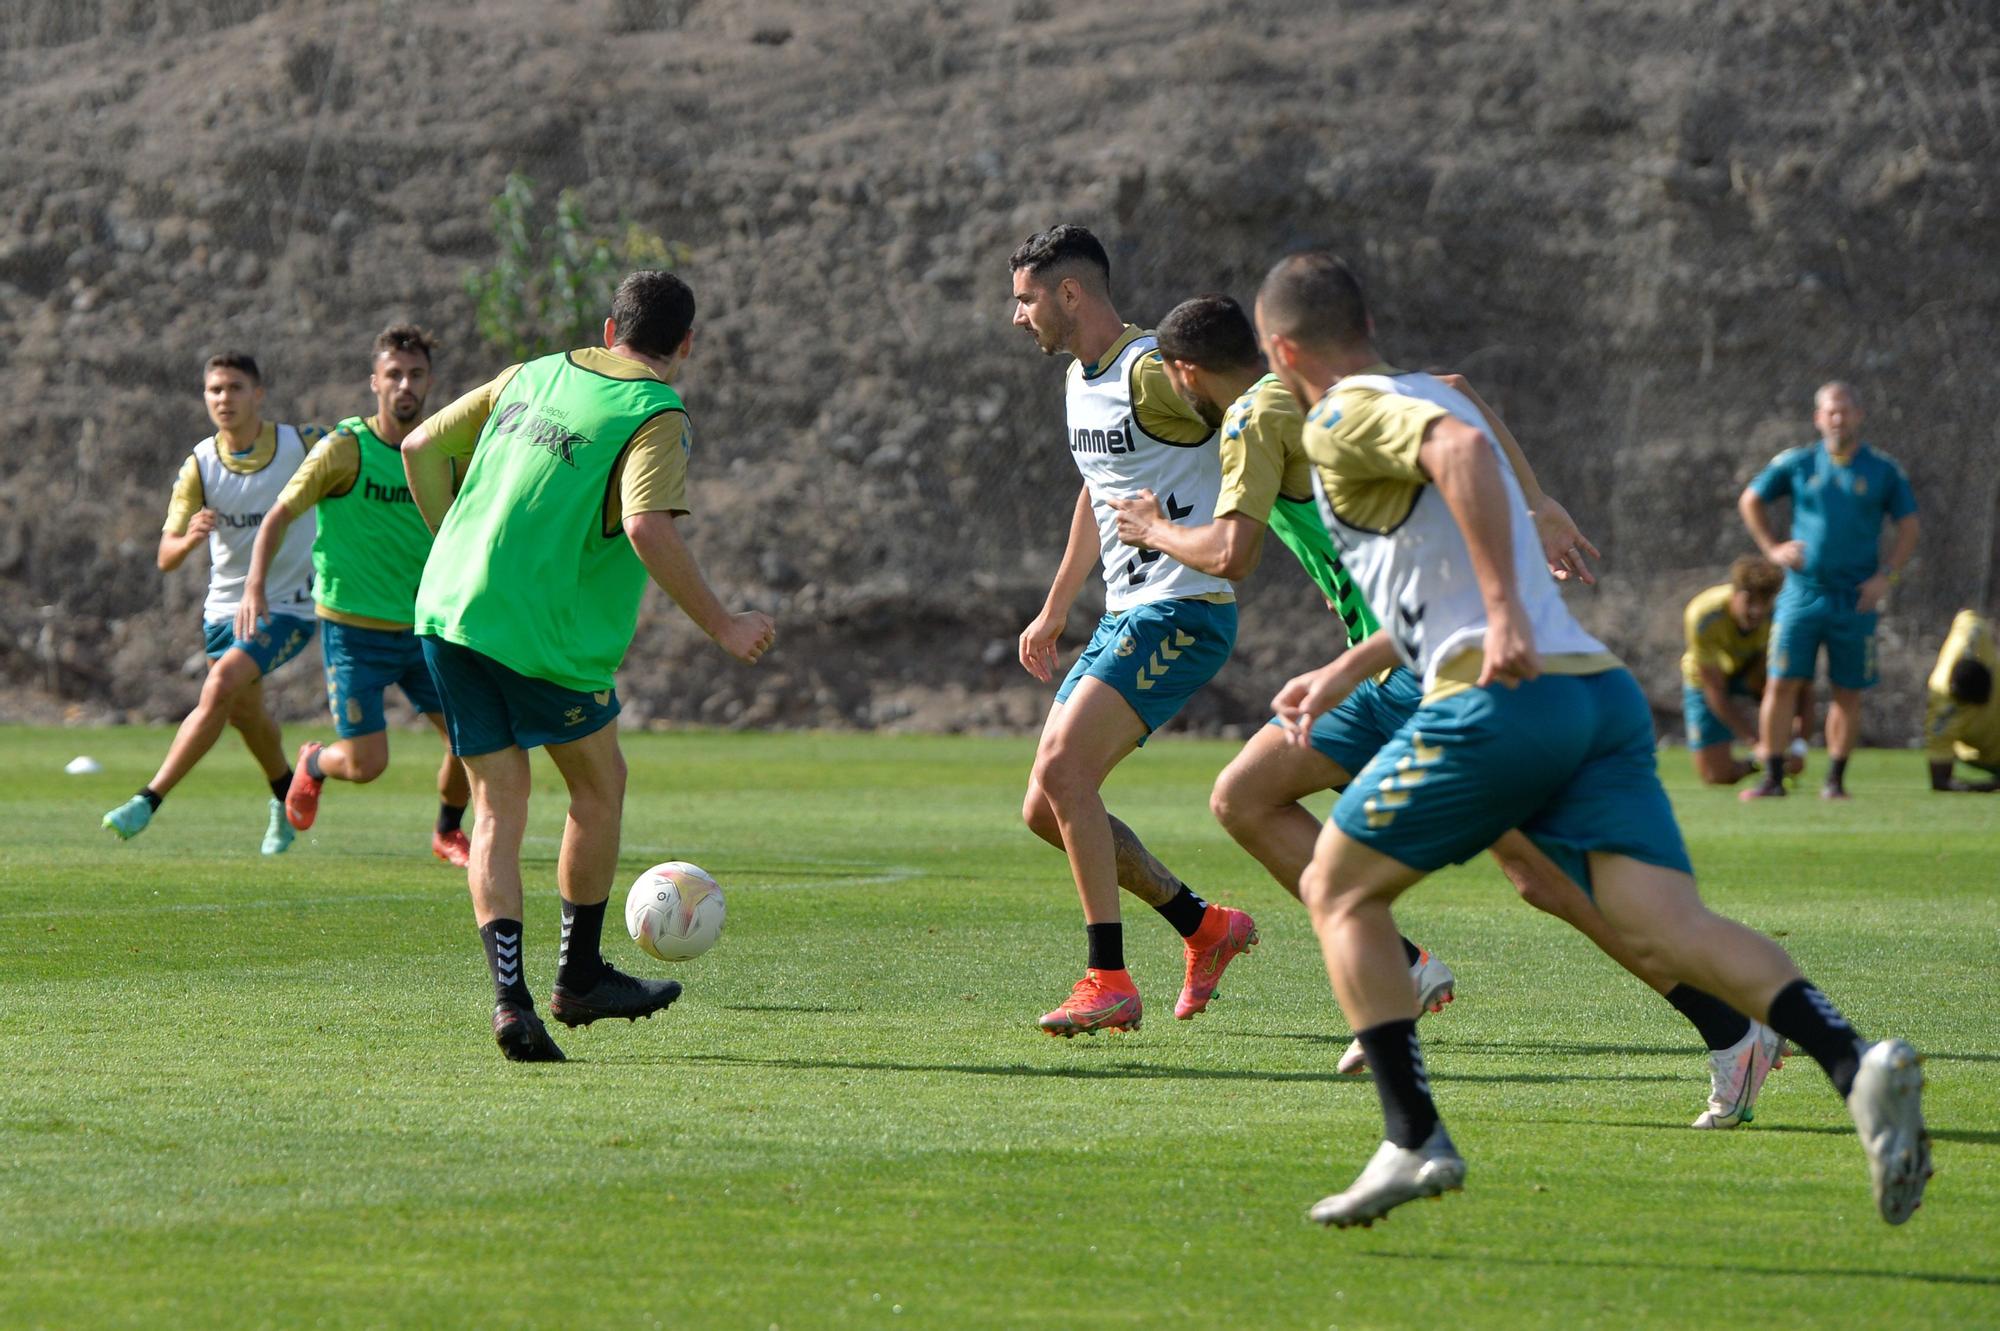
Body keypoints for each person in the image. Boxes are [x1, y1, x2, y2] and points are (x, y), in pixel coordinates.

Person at [1256, 251, 1928, 1229]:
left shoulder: (1336, 413)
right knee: (1668, 923)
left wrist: (1497, 608)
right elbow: (1451, 434)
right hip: (1594, 696)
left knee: (1334, 884)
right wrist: (1346, 666)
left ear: (1283, 352)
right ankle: (1850, 1060)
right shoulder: (1419, 387)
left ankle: (1410, 1136)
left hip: (1497, 697)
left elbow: (1459, 451)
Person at [1113, 294, 1782, 1129]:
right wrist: (1538, 503)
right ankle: (1408, 964)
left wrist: (1151, 528)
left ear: (1184, 373)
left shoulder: (1250, 414)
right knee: (1267, 798)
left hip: (1421, 667)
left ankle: (1731, 1023)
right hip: (1412, 663)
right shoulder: (1330, 384)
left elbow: (1231, 552)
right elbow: (1456, 386)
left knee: (1550, 874)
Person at [401, 270, 776, 1063]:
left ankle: (512, 1002)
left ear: (610, 329)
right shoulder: (656, 409)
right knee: (599, 786)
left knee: (498, 806)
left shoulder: (534, 371)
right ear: (686, 345)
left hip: (448, 609)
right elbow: (646, 526)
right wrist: (723, 623)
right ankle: (577, 976)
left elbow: (420, 445)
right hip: (543, 635)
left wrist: (457, 542)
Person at [1009, 225, 1258, 1036]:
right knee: (1046, 807)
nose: (1018, 316)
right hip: (1128, 615)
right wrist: (1055, 607)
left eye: (1025, 298)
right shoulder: (1083, 381)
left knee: (1062, 766)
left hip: (1184, 608)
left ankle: (1108, 977)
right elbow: (1099, 490)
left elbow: (1247, 414)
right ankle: (1203, 925)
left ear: (1069, 293)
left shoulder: (1153, 370)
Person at [237, 325, 473, 866]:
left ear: (430, 382)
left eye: (415, 375)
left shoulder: (444, 452)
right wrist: (255, 585)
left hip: (424, 625)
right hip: (354, 630)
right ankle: (316, 763)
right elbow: (279, 515)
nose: (404, 385)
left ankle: (447, 831)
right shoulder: (346, 449)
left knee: (469, 736)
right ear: (375, 382)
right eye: (394, 374)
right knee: (368, 766)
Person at [102, 352, 320, 855]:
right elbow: (166, 557)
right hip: (223, 610)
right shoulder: (200, 463)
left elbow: (353, 465)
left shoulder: (300, 444)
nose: (224, 398)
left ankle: (147, 799)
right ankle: (286, 796)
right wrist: (191, 536)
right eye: (215, 390)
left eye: (235, 388)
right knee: (245, 713)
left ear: (258, 394)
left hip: (288, 605)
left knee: (219, 685)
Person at [1738, 383, 1918, 801]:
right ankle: (1773, 776)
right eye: (1830, 412)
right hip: (1802, 594)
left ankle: (1835, 780)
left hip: (1854, 597)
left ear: (1860, 415)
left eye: (1846, 411)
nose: (1838, 419)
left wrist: (1885, 576)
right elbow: (1751, 499)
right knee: (1781, 682)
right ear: (1819, 418)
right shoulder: (1798, 463)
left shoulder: (1882, 470)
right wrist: (1772, 548)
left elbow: (1909, 526)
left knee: (1847, 690)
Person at [1680, 555, 1799, 785]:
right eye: (1749, 601)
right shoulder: (1703, 614)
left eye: (1764, 602)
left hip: (1751, 671)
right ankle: (1760, 763)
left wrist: (1798, 744)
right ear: (1734, 592)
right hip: (1709, 677)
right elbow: (1714, 689)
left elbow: (1798, 682)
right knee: (1716, 775)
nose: (1756, 611)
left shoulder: (1781, 615)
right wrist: (1756, 744)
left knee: (1788, 678)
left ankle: (1781, 756)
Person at [1923, 610, 2000, 792]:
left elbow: (1967, 616)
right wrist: (1982, 787)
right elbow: (1940, 781)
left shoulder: (1969, 642)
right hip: (1987, 756)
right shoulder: (1942, 710)